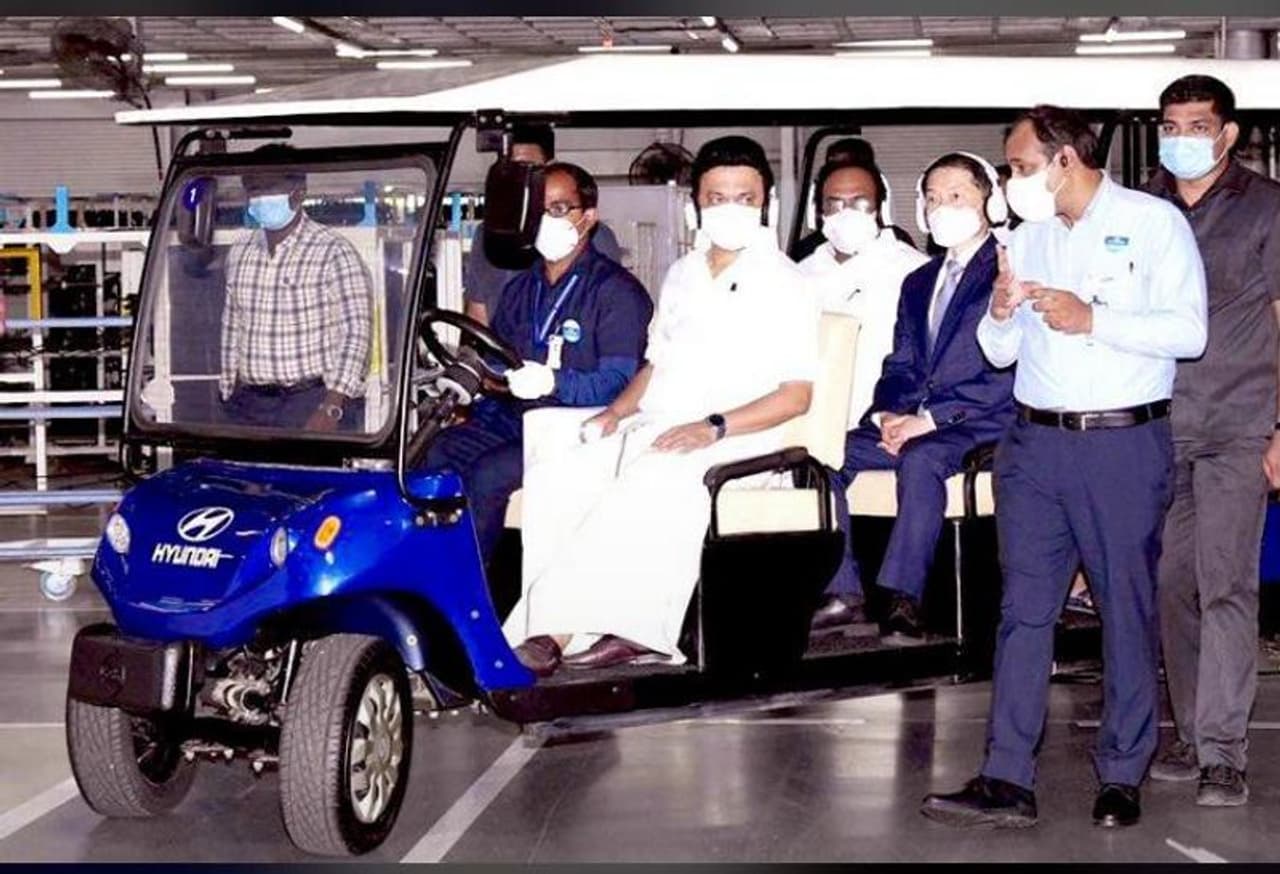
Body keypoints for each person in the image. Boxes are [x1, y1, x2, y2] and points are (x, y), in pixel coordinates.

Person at [921, 105, 1207, 830]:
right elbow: (999, 352)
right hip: (1034, 446)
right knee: (1022, 612)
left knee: (1124, 609)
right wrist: (998, 310)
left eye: (1020, 166)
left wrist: (1093, 318)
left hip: (1121, 444)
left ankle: (1122, 773)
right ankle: (1005, 776)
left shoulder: (1154, 223)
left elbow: (1190, 332)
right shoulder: (1028, 238)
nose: (1012, 181)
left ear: (1065, 161)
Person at [503, 135, 819, 676]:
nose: (730, 208)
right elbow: (655, 364)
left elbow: (796, 397)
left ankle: (564, 633)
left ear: (765, 202)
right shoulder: (682, 274)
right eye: (717, 197)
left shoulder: (789, 283)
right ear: (697, 204)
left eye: (744, 198)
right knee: (562, 467)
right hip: (663, 423)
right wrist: (615, 413)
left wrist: (712, 427)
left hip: (741, 438)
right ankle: (566, 625)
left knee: (656, 472)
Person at [1145, 75, 1280, 807]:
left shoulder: (1267, 207)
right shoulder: (1143, 207)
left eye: (1197, 126)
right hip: (1159, 426)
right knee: (1172, 583)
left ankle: (1222, 753)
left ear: (1227, 134)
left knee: (1226, 582)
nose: (1182, 139)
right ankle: (1193, 730)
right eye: (1171, 126)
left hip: (1238, 425)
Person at [812, 153, 1016, 636]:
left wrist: (930, 420)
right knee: (824, 456)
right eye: (933, 198)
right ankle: (845, 591)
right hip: (919, 419)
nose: (943, 208)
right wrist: (887, 415)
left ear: (990, 201)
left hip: (985, 422)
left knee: (921, 459)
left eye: (956, 196)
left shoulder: (1010, 270)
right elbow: (900, 362)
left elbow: (1007, 372)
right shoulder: (919, 281)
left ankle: (904, 597)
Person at [425, 162, 652, 566]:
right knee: (436, 452)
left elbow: (619, 381)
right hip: (517, 418)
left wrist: (553, 382)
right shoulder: (521, 288)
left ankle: (477, 590)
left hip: (576, 425)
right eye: (538, 211)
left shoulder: (616, 292)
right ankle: (432, 574)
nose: (547, 220)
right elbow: (497, 360)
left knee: (489, 475)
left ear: (588, 217)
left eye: (559, 208)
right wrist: (477, 378)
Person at [220, 149, 373, 432]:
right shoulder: (240, 251)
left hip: (313, 401)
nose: (259, 198)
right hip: (251, 405)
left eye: (268, 189)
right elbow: (233, 324)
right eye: (252, 189)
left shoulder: (333, 250)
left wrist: (332, 407)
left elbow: (356, 332)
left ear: (299, 194)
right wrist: (229, 390)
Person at [464, 123, 623, 326]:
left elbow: (608, 310)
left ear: (550, 167)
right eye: (511, 169)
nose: (520, 179)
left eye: (528, 168)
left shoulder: (590, 234)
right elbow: (477, 315)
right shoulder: (490, 234)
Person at [790, 137, 917, 261]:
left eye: (859, 201)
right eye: (835, 203)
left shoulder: (901, 249)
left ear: (880, 205)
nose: (847, 212)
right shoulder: (806, 253)